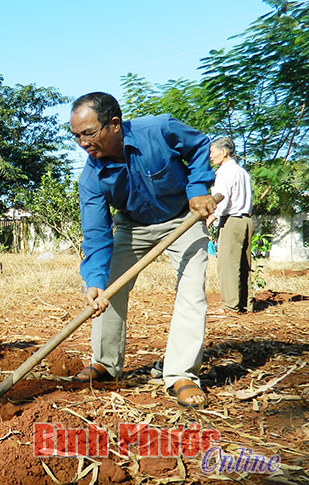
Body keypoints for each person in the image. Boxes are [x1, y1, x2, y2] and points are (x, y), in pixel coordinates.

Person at [70, 92, 217, 409]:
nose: (82, 143)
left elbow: (200, 145)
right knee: (108, 286)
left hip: (183, 218)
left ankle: (181, 375)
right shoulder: (91, 176)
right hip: (132, 224)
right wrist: (94, 282)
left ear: (114, 124)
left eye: (88, 133)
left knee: (191, 290)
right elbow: (96, 234)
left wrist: (197, 189)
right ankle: (106, 365)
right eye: (76, 136)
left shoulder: (160, 129)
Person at [205, 137, 253, 314]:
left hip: (231, 221)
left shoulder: (224, 172)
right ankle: (244, 303)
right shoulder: (242, 172)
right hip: (246, 220)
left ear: (223, 152)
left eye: (212, 152)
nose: (210, 156)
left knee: (228, 264)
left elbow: (221, 199)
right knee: (243, 264)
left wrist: (211, 218)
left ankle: (230, 306)